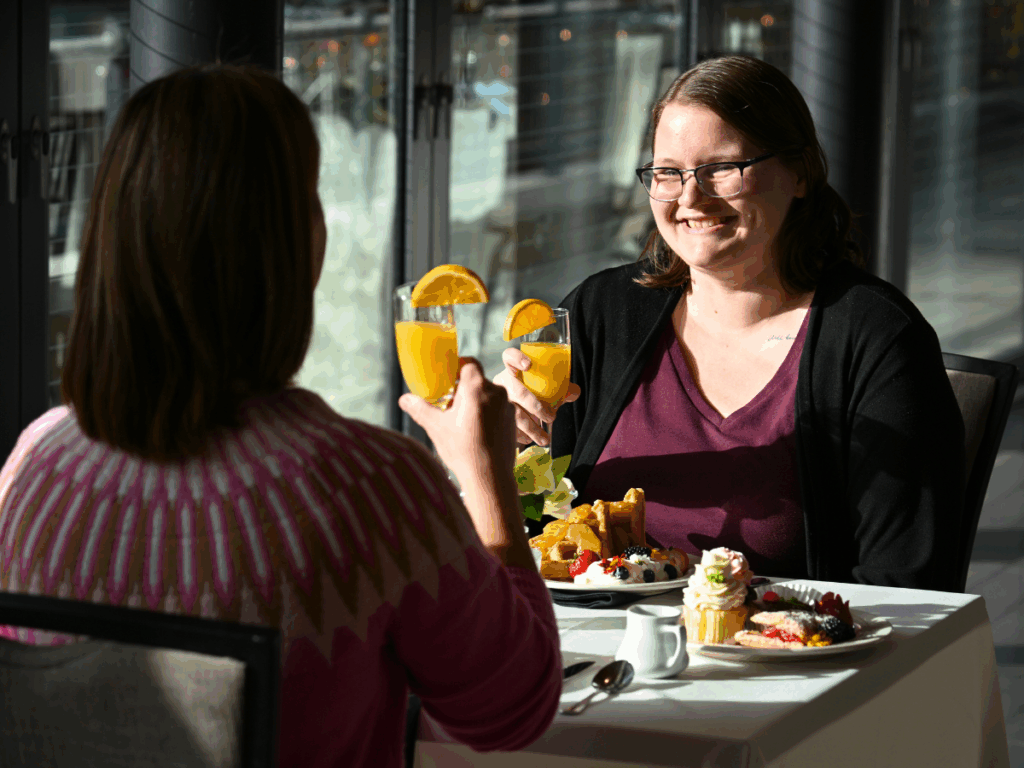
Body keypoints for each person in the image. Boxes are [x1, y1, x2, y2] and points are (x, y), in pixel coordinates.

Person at [0, 64, 560, 766]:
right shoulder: (369, 484)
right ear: (297, 245)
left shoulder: (31, 465)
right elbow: (513, 710)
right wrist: (487, 481)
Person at [497, 55, 965, 591]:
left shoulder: (875, 340)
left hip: (792, 661)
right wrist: (507, 448)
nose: (691, 197)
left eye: (722, 167)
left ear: (801, 174)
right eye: (668, 172)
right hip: (607, 656)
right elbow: (537, 538)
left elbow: (905, 588)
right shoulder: (602, 311)